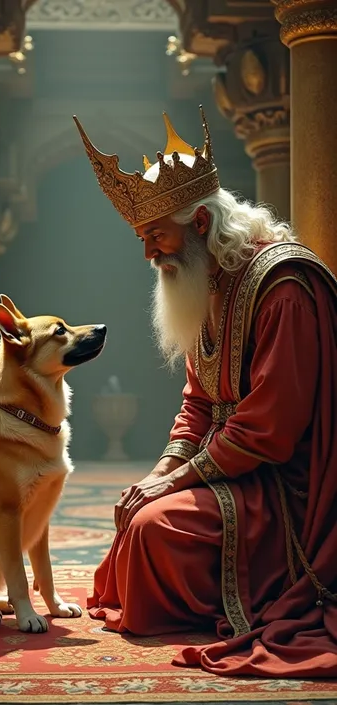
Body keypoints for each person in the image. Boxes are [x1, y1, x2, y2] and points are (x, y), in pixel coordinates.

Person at [73, 108, 337, 677]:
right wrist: (159, 473)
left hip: (287, 488)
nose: (148, 253)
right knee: (134, 515)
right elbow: (198, 403)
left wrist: (175, 482)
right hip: (233, 468)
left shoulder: (283, 286)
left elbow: (271, 428)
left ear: (199, 224)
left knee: (151, 530)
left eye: (154, 234)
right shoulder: (206, 282)